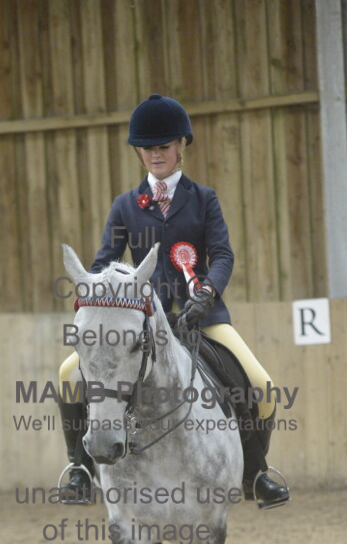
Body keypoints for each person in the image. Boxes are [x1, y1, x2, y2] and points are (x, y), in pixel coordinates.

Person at [58, 94, 290, 509]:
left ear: (181, 145)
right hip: (144, 322)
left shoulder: (203, 199)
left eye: (164, 146)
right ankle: (80, 467)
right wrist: (103, 294)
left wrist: (206, 293)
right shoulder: (125, 206)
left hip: (203, 316)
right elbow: (104, 263)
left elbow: (222, 255)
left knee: (261, 385)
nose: (155, 155)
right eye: (147, 148)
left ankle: (255, 473)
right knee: (67, 374)